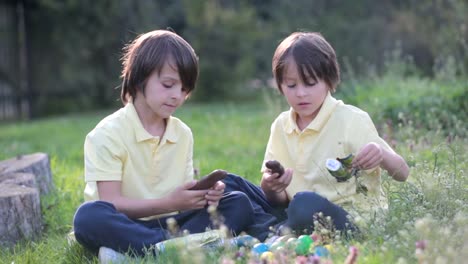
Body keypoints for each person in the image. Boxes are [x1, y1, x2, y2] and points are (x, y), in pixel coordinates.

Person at [73, 30, 254, 260]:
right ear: (139, 79)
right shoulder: (107, 134)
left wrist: (203, 196)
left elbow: (183, 203)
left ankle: (147, 251)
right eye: (168, 85)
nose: (177, 96)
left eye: (184, 90)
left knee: (239, 202)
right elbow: (111, 202)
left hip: (172, 223)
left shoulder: (182, 133)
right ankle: (184, 246)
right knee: (88, 217)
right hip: (125, 223)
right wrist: (168, 203)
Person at [223, 31, 409, 241]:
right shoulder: (281, 125)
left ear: (329, 81)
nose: (301, 93)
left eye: (310, 83)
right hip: (293, 211)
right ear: (280, 86)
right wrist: (270, 186)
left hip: (347, 219)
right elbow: (278, 199)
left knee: (304, 204)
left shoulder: (351, 119)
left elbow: (403, 173)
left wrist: (382, 154)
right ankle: (275, 233)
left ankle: (268, 234)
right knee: (226, 183)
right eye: (291, 85)